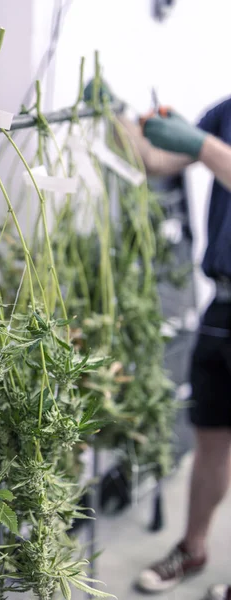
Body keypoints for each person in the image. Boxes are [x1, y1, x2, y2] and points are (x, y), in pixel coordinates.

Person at [118, 100, 231, 600]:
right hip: (223, 302)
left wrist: (200, 145)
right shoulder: (227, 110)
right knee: (210, 437)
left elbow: (200, 152)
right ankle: (193, 547)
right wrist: (121, 119)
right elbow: (158, 161)